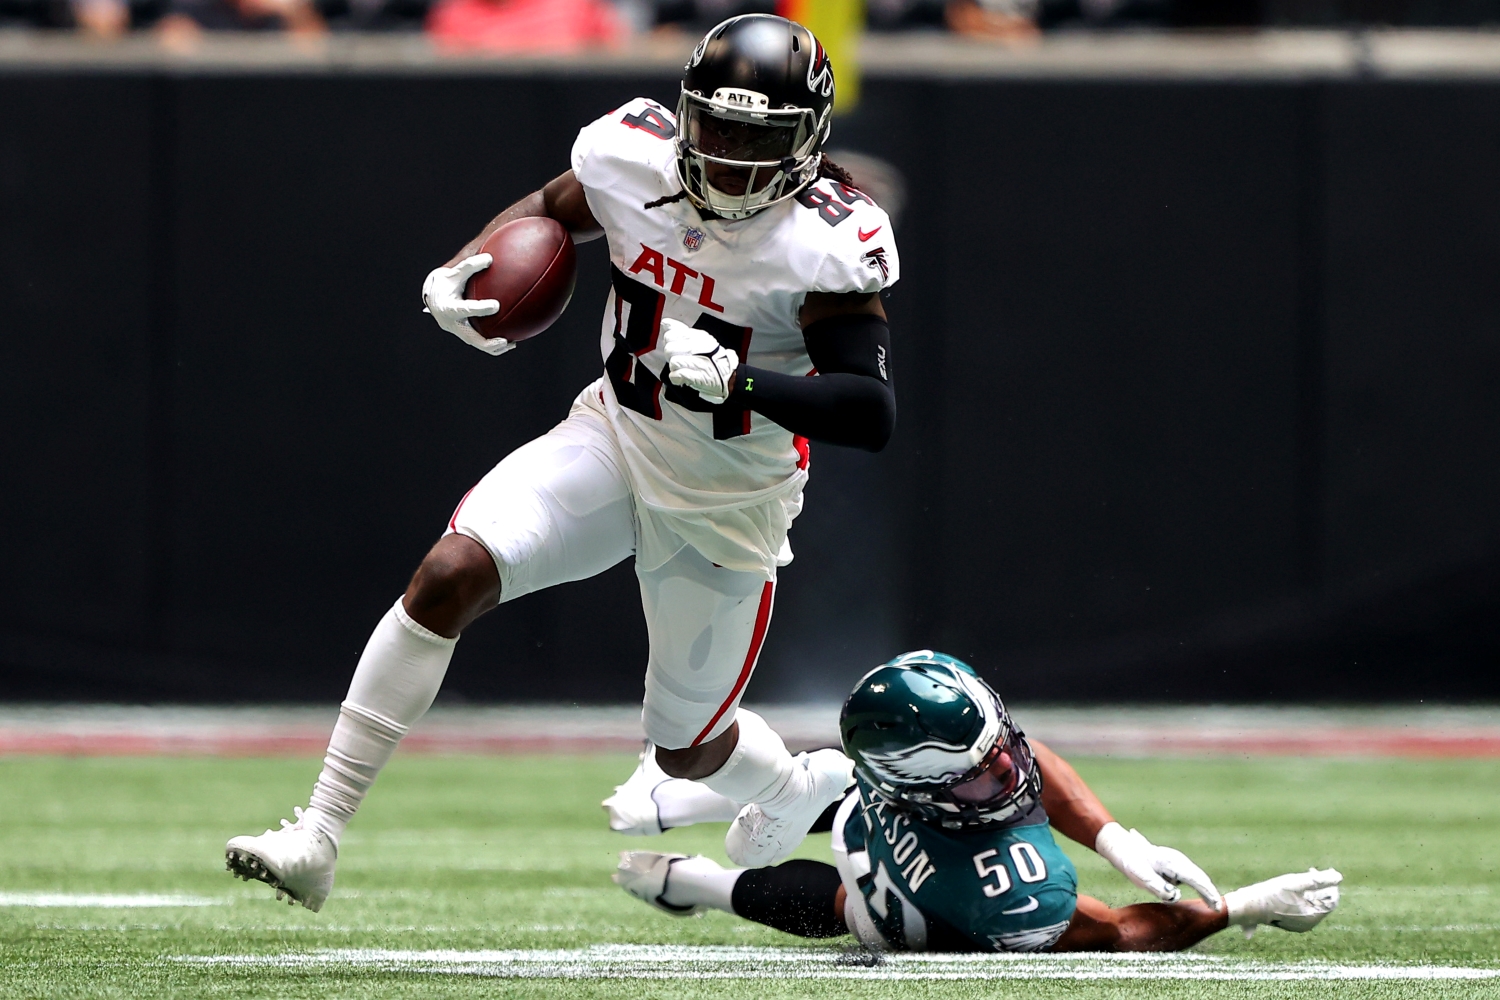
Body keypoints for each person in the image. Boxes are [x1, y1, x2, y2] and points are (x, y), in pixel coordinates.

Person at [224, 12, 899, 912]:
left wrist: (743, 382)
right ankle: (316, 832)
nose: (730, 153)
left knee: (686, 750)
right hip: (614, 437)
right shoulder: (632, 156)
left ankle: (788, 786)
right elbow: (547, 211)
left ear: (805, 142)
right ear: (686, 111)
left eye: (756, 137)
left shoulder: (823, 237)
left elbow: (869, 408)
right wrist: (469, 265)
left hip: (727, 499)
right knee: (451, 571)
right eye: (717, 126)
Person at [610, 651, 1343, 951]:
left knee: (849, 883)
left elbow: (1021, 765)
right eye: (980, 777)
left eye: (999, 756)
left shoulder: (974, 779)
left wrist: (1121, 841)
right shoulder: (1006, 881)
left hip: (920, 863)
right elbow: (1122, 933)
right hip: (914, 860)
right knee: (851, 892)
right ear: (906, 782)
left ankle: (690, 880)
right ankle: (692, 845)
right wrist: (1239, 908)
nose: (1008, 776)